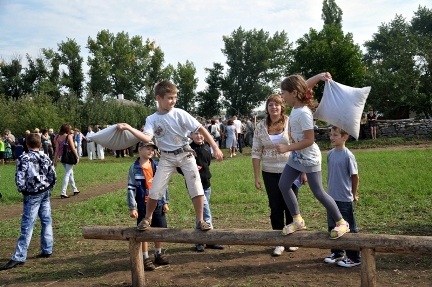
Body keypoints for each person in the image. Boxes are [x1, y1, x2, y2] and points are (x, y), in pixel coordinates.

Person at [117, 80, 223, 233]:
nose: (173, 101)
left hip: (185, 154)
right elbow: (147, 138)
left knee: (196, 186)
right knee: (155, 189)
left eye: (175, 97)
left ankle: (201, 220)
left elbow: (200, 128)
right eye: (170, 98)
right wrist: (128, 127)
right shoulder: (151, 119)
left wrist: (215, 147)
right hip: (166, 157)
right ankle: (147, 218)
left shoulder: (179, 113)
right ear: (158, 98)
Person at [276, 73, 350, 239]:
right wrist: (320, 76)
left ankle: (341, 222)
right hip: (297, 156)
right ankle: (297, 220)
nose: (282, 96)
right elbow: (305, 86)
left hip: (309, 157)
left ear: (293, 93)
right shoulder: (297, 105)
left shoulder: (303, 113)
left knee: (318, 192)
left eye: (284, 93)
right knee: (283, 184)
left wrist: (287, 147)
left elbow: (309, 140)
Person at [252, 94, 306, 256]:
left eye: (277, 104)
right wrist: (257, 177)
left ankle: (292, 240)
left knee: (291, 205)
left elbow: (300, 147)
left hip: (291, 170)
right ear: (267, 108)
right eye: (270, 105)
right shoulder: (260, 127)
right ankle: (279, 240)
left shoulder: (291, 122)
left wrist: (303, 171)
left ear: (282, 106)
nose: (273, 107)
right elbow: (256, 152)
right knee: (275, 206)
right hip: (269, 172)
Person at [0, 133, 56, 271]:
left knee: (27, 225)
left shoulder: (23, 158)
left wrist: (23, 190)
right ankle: (47, 249)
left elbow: (20, 178)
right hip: (45, 192)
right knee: (46, 220)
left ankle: (19, 256)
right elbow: (53, 175)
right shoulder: (45, 156)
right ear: (41, 144)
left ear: (26, 144)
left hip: (32, 194)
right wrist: (49, 188)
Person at [177, 130, 224, 252]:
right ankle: (208, 239)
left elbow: (207, 162)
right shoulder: (188, 149)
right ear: (191, 136)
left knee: (202, 213)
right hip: (194, 185)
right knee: (205, 213)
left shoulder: (206, 147)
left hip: (206, 184)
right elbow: (179, 166)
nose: (199, 136)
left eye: (200, 133)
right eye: (195, 134)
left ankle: (202, 240)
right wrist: (190, 170)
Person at [127, 141, 170, 271]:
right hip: (142, 205)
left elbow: (164, 185)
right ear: (140, 149)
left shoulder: (157, 166)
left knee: (159, 229)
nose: (151, 151)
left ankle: (158, 253)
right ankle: (145, 257)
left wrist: (165, 201)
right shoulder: (134, 168)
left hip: (157, 203)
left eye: (152, 149)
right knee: (143, 231)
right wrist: (132, 207)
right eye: (148, 148)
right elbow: (131, 188)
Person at [324, 126, 361, 267]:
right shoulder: (330, 154)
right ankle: (337, 253)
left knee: (349, 227)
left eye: (335, 135)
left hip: (344, 198)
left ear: (345, 137)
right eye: (331, 135)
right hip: (331, 197)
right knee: (333, 226)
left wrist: (353, 193)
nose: (332, 137)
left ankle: (354, 257)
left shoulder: (348, 155)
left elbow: (355, 177)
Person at [53, 123, 80, 198]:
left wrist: (55, 160)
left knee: (70, 173)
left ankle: (75, 189)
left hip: (62, 157)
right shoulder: (69, 136)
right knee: (67, 173)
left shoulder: (58, 137)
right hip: (68, 157)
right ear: (67, 129)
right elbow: (73, 148)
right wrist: (77, 157)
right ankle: (63, 192)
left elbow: (56, 150)